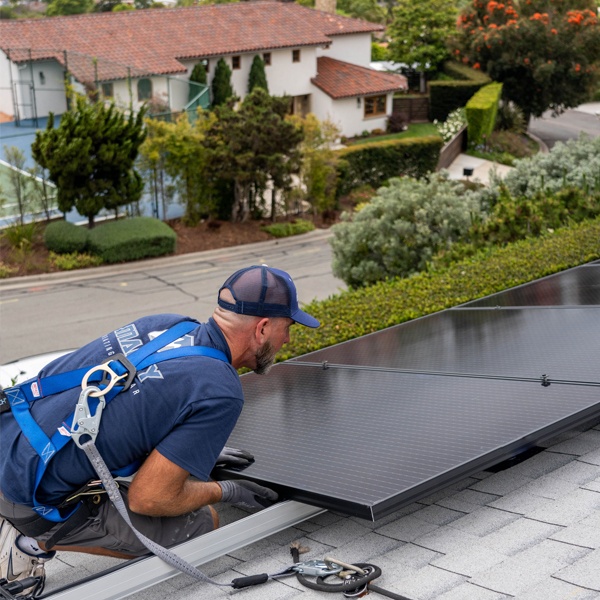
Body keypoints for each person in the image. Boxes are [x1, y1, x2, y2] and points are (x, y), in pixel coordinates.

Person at [0, 265, 319, 589]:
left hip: (8, 434)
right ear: (263, 328)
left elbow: (140, 404)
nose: (288, 339)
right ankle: (26, 539)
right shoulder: (221, 389)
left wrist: (201, 450)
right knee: (201, 523)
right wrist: (227, 490)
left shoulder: (169, 324)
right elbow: (148, 498)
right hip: (21, 489)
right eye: (287, 327)